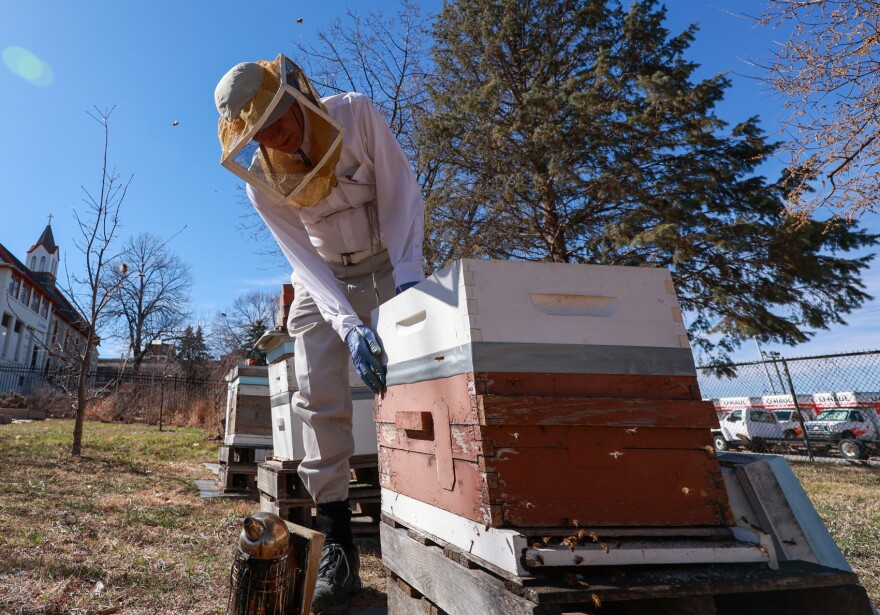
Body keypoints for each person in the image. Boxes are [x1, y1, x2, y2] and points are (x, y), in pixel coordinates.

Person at [214, 56, 424, 614]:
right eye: (258, 131)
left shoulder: (355, 115)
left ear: (296, 97)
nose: (273, 135)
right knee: (313, 394)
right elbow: (302, 260)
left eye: (275, 118)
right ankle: (339, 548)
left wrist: (407, 284)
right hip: (322, 276)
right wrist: (349, 324)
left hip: (387, 257)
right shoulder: (263, 181)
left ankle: (427, 514)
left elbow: (402, 195)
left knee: (422, 376)